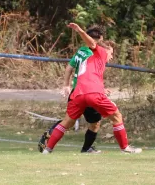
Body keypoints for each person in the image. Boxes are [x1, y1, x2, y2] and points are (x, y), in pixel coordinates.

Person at [39, 23, 141, 154]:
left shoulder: (88, 58)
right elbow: (92, 43)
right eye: (111, 53)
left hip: (78, 94)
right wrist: (80, 30)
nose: (112, 56)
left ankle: (47, 150)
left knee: (66, 122)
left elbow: (87, 75)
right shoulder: (99, 51)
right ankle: (125, 148)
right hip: (93, 94)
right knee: (116, 116)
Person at [38, 25, 107, 154]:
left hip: (76, 91)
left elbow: (69, 67)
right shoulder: (94, 53)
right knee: (94, 123)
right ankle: (86, 149)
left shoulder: (81, 50)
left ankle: (49, 137)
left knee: (68, 121)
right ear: (101, 38)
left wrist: (66, 85)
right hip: (88, 92)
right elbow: (92, 75)